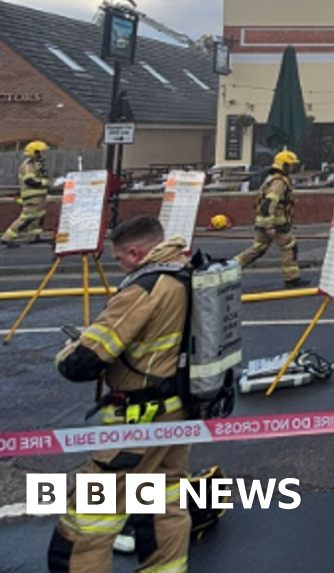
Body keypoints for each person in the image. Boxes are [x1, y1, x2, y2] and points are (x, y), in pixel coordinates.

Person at [49, 216, 192, 573]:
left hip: (138, 419)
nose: (119, 266)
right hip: (177, 410)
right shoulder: (188, 273)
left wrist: (69, 350)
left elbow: (83, 362)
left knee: (86, 521)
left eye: (118, 259)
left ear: (135, 252)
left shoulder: (145, 287)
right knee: (166, 502)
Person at [236, 149, 310, 288]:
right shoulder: (279, 182)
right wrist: (270, 226)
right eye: (291, 164)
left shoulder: (272, 178)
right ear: (285, 165)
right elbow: (269, 203)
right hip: (276, 223)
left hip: (263, 221)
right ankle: (291, 279)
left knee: (258, 249)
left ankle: (230, 269)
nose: (293, 167)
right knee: (289, 247)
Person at [3, 140, 51, 248]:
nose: (44, 154)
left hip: (39, 196)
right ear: (36, 152)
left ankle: (35, 236)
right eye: (42, 152)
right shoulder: (28, 165)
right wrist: (45, 182)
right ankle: (7, 238)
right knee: (27, 217)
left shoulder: (36, 164)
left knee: (39, 215)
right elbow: (30, 181)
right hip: (32, 197)